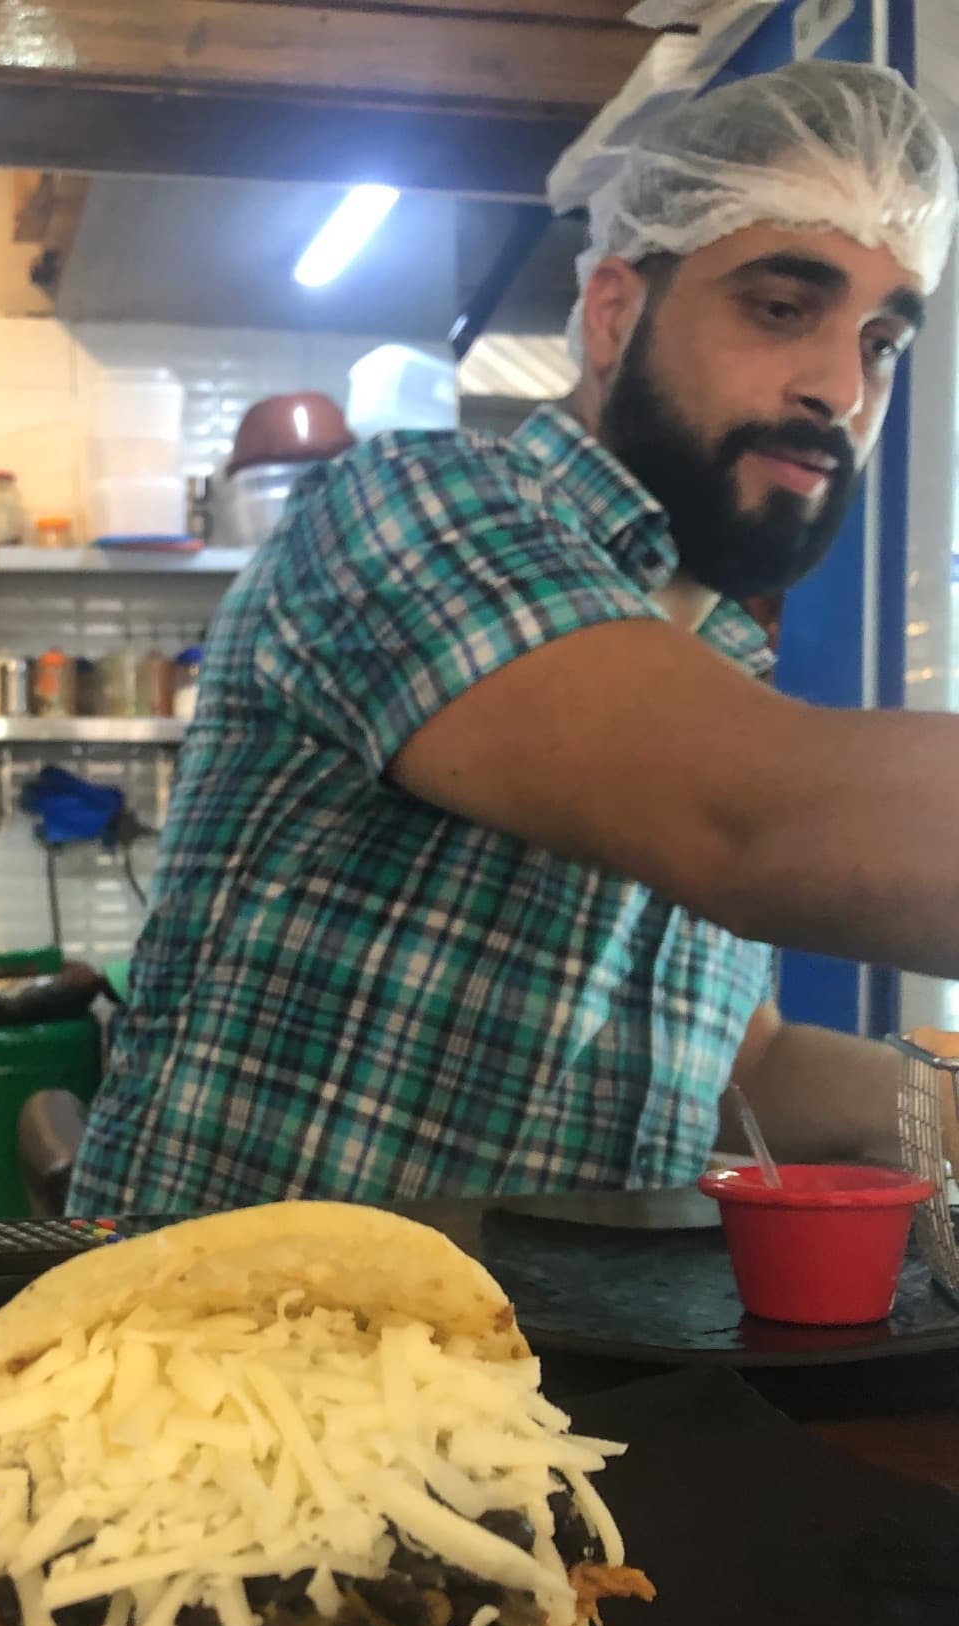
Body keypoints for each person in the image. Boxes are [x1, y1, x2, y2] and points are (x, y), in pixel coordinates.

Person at [69, 61, 959, 1216]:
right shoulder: (410, 512)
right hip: (231, 1366)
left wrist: (929, 1104)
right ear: (612, 313)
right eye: (782, 309)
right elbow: (755, 820)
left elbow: (742, 1064)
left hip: (530, 1377)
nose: (840, 386)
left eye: (884, 341)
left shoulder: (721, 661)